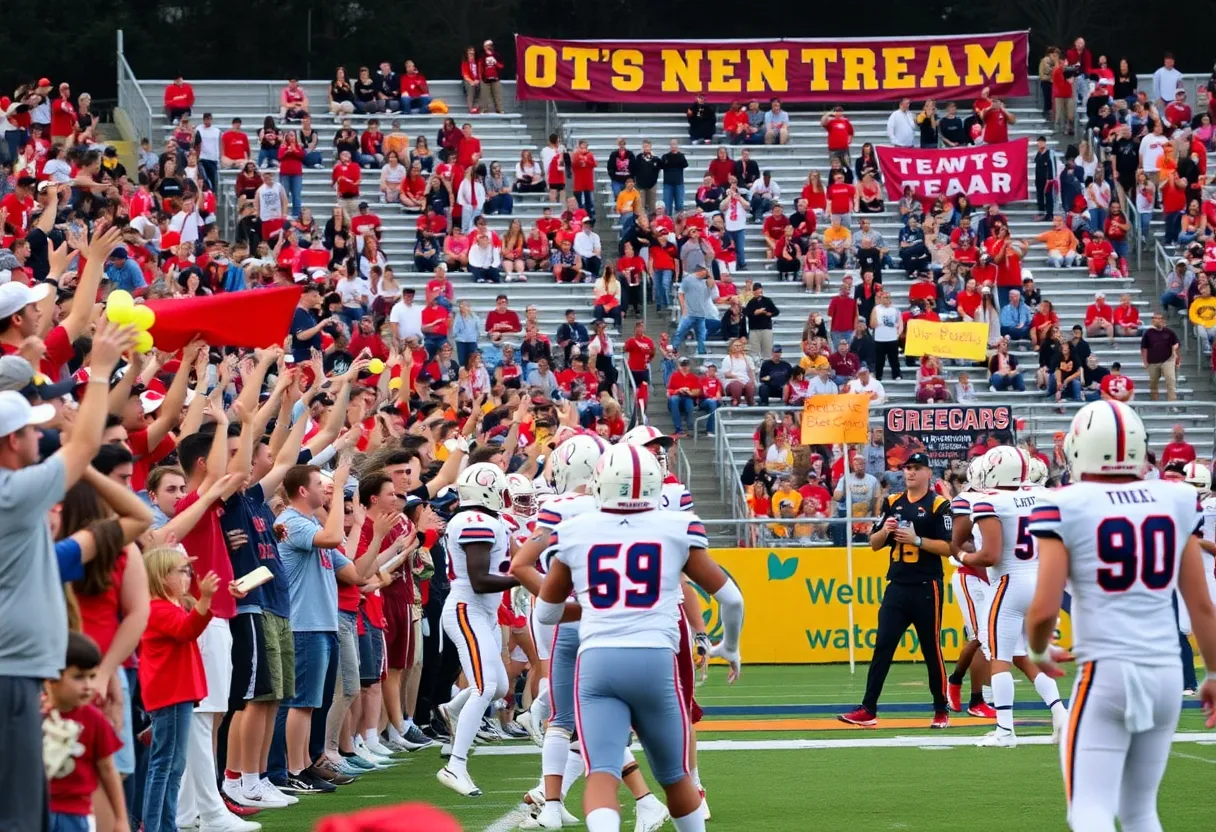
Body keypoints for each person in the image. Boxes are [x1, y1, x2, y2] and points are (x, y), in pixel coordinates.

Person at [1025, 400, 1216, 831]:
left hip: (1107, 671)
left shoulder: (1065, 503)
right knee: (1140, 811)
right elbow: (1201, 604)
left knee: (1089, 810)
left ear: (1078, 448)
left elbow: (1044, 610)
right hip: (1166, 672)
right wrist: (1215, 674)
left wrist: (1037, 651)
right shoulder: (1175, 497)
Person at [535, 444, 742, 832]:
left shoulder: (574, 530)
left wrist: (595, 608)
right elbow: (732, 599)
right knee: (676, 776)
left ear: (599, 484)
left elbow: (546, 613)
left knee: (602, 774)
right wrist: (729, 646)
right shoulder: (677, 526)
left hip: (597, 663)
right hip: (654, 661)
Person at [0, 315, 131, 832]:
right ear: (12, 442)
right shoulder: (11, 492)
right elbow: (84, 447)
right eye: (32, 430)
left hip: (19, 669)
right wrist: (99, 371)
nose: (41, 435)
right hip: (10, 673)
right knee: (16, 814)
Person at [955, 447, 1069, 747]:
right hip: (1041, 581)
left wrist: (963, 556)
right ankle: (1061, 714)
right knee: (1025, 655)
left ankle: (1004, 731)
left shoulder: (988, 501)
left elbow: (989, 555)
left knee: (1000, 658)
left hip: (1009, 582)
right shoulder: (1042, 495)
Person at [838, 453, 953, 729]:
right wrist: (886, 531)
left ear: (928, 473)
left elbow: (949, 547)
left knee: (931, 649)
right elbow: (874, 543)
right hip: (897, 586)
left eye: (916, 468)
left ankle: (941, 707)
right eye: (907, 468)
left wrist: (917, 540)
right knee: (883, 646)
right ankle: (869, 708)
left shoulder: (939, 504)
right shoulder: (893, 502)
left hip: (927, 586)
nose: (910, 472)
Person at [435, 463, 517, 796]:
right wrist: (523, 578)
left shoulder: (488, 520)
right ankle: (455, 765)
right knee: (484, 688)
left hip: (483, 612)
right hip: (467, 609)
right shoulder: (474, 521)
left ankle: (452, 708)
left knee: (498, 688)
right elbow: (480, 580)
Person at [47, 632, 127, 832]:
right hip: (35, 810)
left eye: (92, 676)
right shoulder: (34, 716)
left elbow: (108, 770)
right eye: (78, 677)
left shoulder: (95, 720)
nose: (88, 686)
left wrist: (120, 819)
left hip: (75, 815)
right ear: (53, 677)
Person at [1140, 311, 1180, 402]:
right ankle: (1154, 401)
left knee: (1171, 382)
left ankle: (1172, 403)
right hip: (1153, 362)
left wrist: (1177, 360)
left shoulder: (1169, 332)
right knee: (1153, 384)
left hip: (1168, 360)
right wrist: (1145, 362)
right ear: (1152, 321)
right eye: (1155, 318)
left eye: (1159, 318)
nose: (1157, 320)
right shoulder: (1148, 333)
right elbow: (1144, 348)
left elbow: (1176, 346)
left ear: (1163, 320)